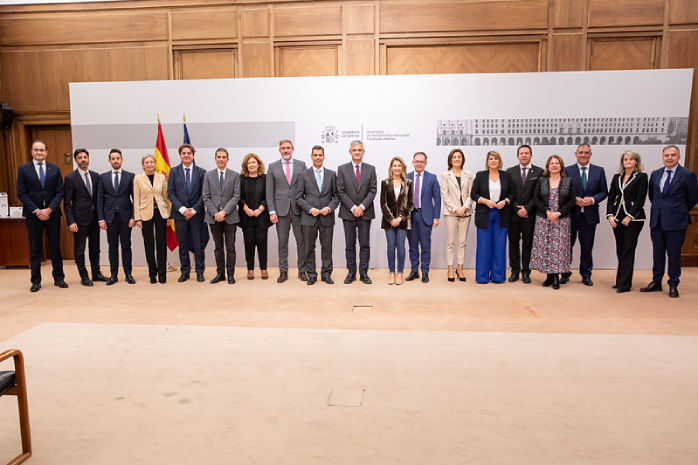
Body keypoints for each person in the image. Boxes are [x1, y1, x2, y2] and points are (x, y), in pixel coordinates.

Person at [641, 145, 698, 298]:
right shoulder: (656, 174)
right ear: (663, 157)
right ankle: (656, 282)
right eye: (666, 155)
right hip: (657, 221)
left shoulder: (687, 174)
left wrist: (677, 210)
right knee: (657, 254)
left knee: (674, 255)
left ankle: (673, 283)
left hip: (676, 222)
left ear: (678, 157)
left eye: (673, 155)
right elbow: (653, 196)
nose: (669, 158)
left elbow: (693, 197)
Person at [16, 140, 67, 292]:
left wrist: (49, 209)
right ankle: (36, 280)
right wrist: (37, 210)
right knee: (35, 247)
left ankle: (59, 278)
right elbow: (21, 193)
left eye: (42, 150)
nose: (39, 152)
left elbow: (60, 192)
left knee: (55, 247)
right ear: (32, 152)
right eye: (36, 150)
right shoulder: (24, 169)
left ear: (46, 152)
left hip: (52, 214)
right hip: (33, 216)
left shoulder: (55, 169)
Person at [563, 144, 608, 286]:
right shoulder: (567, 170)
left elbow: (604, 191)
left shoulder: (599, 171)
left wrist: (593, 200)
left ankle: (586, 274)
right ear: (576, 154)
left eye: (586, 153)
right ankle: (564, 273)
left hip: (590, 215)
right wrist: (573, 199)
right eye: (580, 152)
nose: (583, 155)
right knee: (567, 246)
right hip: (571, 215)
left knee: (587, 247)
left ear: (590, 154)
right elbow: (562, 191)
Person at [295, 145, 340, 285]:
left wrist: (330, 208)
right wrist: (309, 209)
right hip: (309, 218)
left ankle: (326, 275)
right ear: (311, 157)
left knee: (327, 247)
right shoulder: (303, 175)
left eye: (320, 155)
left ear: (324, 157)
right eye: (315, 155)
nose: (318, 157)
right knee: (309, 248)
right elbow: (298, 197)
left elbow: (337, 196)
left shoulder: (332, 174)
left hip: (327, 217)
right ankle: (312, 275)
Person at [530, 155, 576, 289]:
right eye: (552, 163)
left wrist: (558, 213)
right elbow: (536, 199)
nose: (554, 165)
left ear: (561, 166)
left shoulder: (568, 181)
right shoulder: (542, 181)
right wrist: (548, 212)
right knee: (545, 248)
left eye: (557, 163)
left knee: (558, 250)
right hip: (544, 219)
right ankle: (548, 275)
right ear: (548, 166)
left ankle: (556, 276)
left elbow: (571, 201)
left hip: (561, 220)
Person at [63, 148, 107, 286]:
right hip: (79, 220)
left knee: (95, 249)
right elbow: (67, 203)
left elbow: (99, 199)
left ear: (88, 159)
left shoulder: (95, 176)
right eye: (80, 158)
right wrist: (71, 221)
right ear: (76, 160)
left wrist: (101, 218)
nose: (83, 160)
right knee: (80, 250)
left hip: (94, 219)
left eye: (85, 157)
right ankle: (84, 276)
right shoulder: (70, 178)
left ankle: (96, 273)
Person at [266, 139, 307, 283]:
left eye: (288, 148)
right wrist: (271, 211)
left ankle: (302, 271)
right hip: (280, 211)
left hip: (298, 210)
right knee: (282, 243)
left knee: (301, 241)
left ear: (293, 149)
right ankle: (283, 271)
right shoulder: (272, 167)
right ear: (279, 150)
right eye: (283, 148)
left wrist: (307, 208)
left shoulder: (302, 165)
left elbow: (306, 188)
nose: (286, 150)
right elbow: (269, 191)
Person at [471, 150, 515, 284]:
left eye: (496, 159)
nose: (494, 161)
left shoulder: (506, 176)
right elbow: (473, 194)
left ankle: (497, 276)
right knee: (484, 246)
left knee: (500, 246)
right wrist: (485, 201)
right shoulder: (480, 175)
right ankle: (482, 277)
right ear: (487, 162)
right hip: (484, 214)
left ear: (499, 161)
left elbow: (513, 194)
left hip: (501, 214)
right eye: (491, 159)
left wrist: (505, 201)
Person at [606, 151, 648, 293]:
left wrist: (630, 216)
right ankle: (620, 281)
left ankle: (624, 284)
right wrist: (610, 215)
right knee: (620, 249)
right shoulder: (617, 177)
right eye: (625, 159)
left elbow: (641, 199)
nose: (628, 161)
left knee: (628, 249)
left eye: (631, 159)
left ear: (636, 161)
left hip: (633, 219)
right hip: (618, 216)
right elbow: (611, 197)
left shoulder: (642, 177)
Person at [337, 140, 378, 284]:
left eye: (359, 150)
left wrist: (362, 207)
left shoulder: (371, 169)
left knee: (364, 244)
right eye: (354, 150)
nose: (357, 152)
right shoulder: (342, 169)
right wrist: (353, 208)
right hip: (348, 213)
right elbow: (341, 192)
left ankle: (364, 273)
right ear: (350, 152)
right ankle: (351, 273)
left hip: (365, 212)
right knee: (350, 245)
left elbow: (373, 190)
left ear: (363, 152)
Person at [168, 143, 207, 283]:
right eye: (183, 153)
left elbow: (204, 194)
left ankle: (200, 271)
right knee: (183, 244)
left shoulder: (201, 172)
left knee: (198, 244)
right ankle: (184, 271)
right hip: (180, 215)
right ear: (180, 155)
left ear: (193, 155)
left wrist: (194, 210)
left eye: (188, 153)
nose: (186, 155)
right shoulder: (173, 172)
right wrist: (183, 210)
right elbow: (170, 194)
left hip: (197, 215)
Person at [98, 149, 136, 285]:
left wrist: (133, 217)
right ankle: (113, 275)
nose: (115, 161)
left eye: (118, 158)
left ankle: (128, 274)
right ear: (109, 161)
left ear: (122, 160)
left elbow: (134, 198)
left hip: (126, 217)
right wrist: (101, 219)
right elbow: (100, 199)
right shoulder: (103, 177)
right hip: (110, 218)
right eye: (113, 159)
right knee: (112, 247)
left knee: (126, 246)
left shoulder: (130, 176)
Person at [202, 148, 240, 284]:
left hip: (230, 217)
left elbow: (236, 196)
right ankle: (220, 274)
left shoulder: (235, 175)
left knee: (230, 247)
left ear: (228, 159)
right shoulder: (208, 175)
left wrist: (224, 212)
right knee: (218, 247)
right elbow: (205, 196)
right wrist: (215, 213)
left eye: (224, 157)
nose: (221, 159)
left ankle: (231, 274)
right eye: (219, 157)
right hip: (213, 218)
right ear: (215, 159)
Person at [506, 144, 543, 284]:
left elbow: (539, 194)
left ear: (531, 155)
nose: (524, 155)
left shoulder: (539, 172)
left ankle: (526, 272)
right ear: (517, 156)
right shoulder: (510, 172)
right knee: (514, 244)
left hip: (530, 214)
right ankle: (515, 271)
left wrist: (527, 208)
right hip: (513, 215)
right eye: (521, 153)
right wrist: (517, 208)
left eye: (527, 153)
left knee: (528, 244)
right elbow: (508, 193)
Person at [134, 154, 170, 284]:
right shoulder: (138, 179)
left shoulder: (161, 177)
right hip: (145, 214)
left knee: (161, 244)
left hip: (160, 213)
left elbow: (165, 196)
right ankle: (152, 274)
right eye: (146, 162)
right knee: (149, 244)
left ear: (155, 164)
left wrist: (168, 215)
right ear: (143, 165)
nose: (149, 164)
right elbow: (136, 199)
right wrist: (137, 218)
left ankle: (162, 275)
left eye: (151, 162)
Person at [439, 148, 473, 282]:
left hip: (466, 212)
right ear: (450, 160)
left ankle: (460, 268)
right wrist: (456, 209)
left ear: (462, 159)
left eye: (459, 157)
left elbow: (471, 193)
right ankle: (450, 269)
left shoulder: (468, 174)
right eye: (454, 157)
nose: (457, 159)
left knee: (462, 242)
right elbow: (445, 195)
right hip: (450, 213)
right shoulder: (445, 175)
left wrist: (464, 207)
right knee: (451, 242)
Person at [406, 152, 440, 283]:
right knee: (412, 245)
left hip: (425, 216)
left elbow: (437, 199)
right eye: (417, 161)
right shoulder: (407, 177)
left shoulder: (432, 178)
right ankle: (414, 271)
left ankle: (425, 272)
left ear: (425, 163)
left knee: (425, 246)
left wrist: (436, 217)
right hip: (410, 216)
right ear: (413, 162)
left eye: (422, 161)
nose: (419, 163)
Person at [380, 157, 414, 285]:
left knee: (400, 247)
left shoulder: (408, 183)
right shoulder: (385, 183)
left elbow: (410, 204)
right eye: (395, 165)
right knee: (390, 247)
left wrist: (400, 218)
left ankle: (400, 272)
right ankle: (391, 272)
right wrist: (391, 219)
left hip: (403, 221)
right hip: (388, 221)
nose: (397, 168)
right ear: (391, 168)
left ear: (403, 168)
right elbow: (383, 203)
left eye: (399, 166)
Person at [239, 152, 272, 280]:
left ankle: (263, 269)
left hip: (261, 217)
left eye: (253, 162)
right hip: (246, 217)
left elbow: (268, 195)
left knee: (262, 243)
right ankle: (250, 269)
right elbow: (238, 196)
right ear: (245, 166)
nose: (251, 165)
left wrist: (260, 209)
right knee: (249, 243)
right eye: (249, 163)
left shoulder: (265, 178)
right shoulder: (241, 178)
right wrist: (246, 208)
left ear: (258, 164)